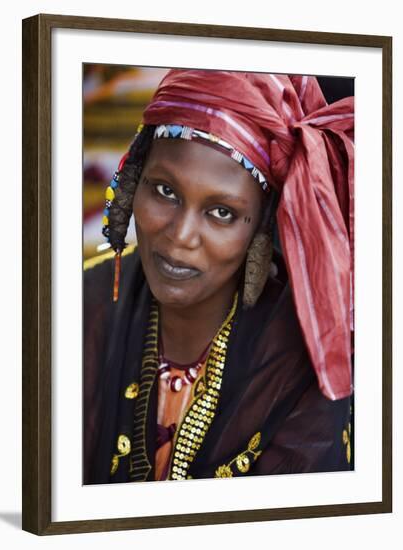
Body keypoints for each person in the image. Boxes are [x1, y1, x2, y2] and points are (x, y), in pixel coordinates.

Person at [83, 69, 354, 484]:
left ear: (260, 227)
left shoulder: (301, 362)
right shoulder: (79, 307)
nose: (180, 236)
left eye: (221, 212)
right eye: (164, 191)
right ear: (133, 182)